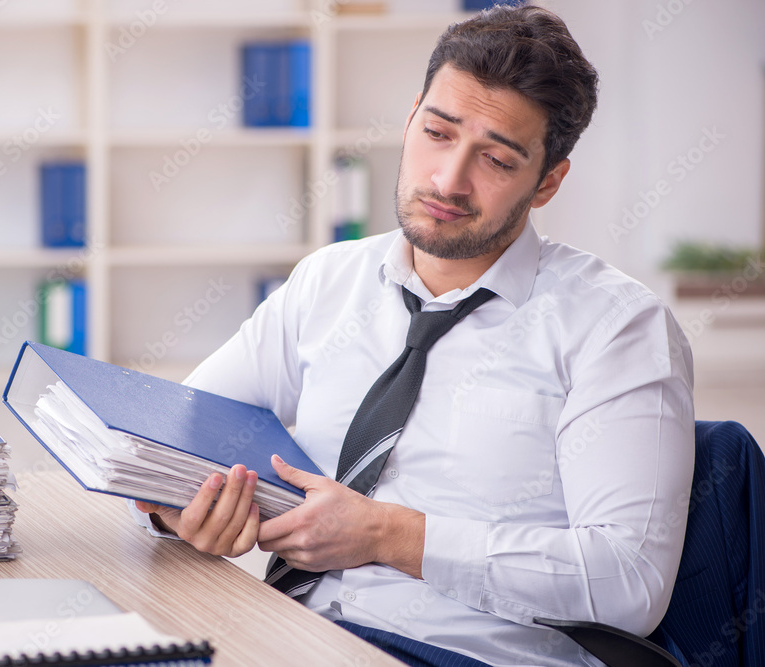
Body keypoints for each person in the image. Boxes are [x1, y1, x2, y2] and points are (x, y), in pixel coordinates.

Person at [131, 5, 696, 666]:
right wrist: (178, 510)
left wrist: (390, 534)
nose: (448, 180)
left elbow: (630, 581)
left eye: (495, 159)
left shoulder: (616, 327)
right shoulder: (329, 280)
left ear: (547, 182)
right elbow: (168, 439)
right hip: (284, 634)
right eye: (437, 132)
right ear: (410, 121)